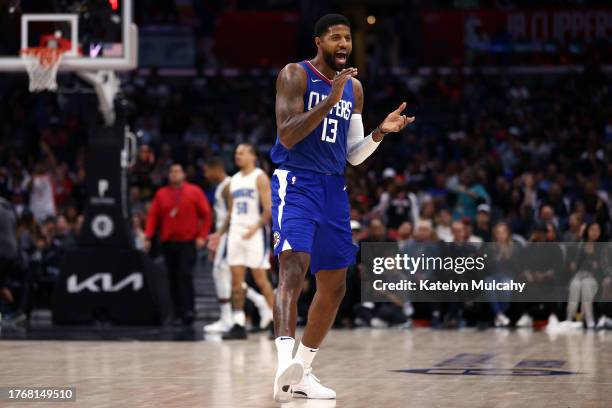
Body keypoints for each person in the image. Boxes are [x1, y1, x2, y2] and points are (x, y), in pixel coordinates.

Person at [270, 13, 414, 402]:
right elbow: (286, 134)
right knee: (293, 268)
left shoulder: (355, 88)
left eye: (347, 38)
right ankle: (284, 361)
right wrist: (328, 100)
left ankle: (302, 371)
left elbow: (352, 156)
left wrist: (380, 133)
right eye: (335, 37)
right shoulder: (294, 75)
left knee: (335, 284)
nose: (343, 44)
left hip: (334, 188)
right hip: (296, 181)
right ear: (318, 42)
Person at [212, 144, 275, 340]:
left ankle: (277, 321)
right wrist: (219, 233)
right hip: (235, 234)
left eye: (241, 153)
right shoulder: (234, 180)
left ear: (253, 156)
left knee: (261, 280)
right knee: (236, 283)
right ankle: (238, 323)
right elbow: (231, 211)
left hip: (254, 233)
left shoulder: (259, 177)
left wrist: (255, 228)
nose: (237, 156)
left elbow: (268, 208)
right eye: (236, 153)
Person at [144, 163, 212, 326]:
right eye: (171, 171)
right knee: (172, 277)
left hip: (188, 242)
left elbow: (207, 214)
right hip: (168, 242)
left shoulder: (194, 191)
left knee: (184, 274)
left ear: (184, 174)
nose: (174, 174)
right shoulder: (161, 194)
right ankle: (177, 312)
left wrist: (202, 236)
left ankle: (189, 310)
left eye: (177, 171)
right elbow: (153, 216)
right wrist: (148, 236)